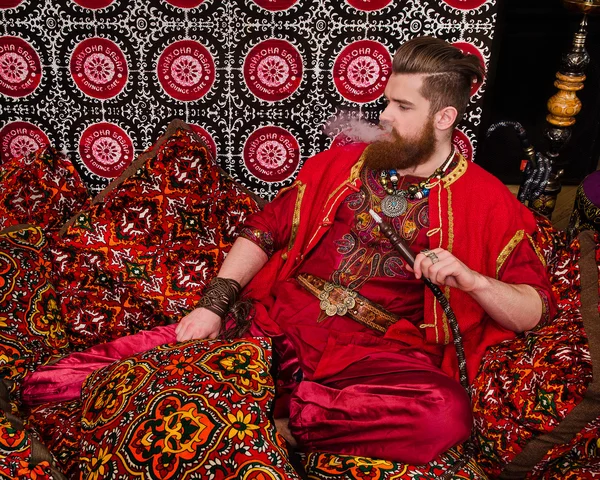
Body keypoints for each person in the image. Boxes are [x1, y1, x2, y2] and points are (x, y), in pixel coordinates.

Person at [175, 36, 556, 464]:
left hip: (375, 356)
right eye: (387, 101)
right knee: (146, 362)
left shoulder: (489, 201)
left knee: (443, 415)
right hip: (283, 323)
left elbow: (535, 307)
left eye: (403, 107)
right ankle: (259, 412)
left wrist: (474, 281)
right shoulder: (344, 164)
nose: (385, 116)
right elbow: (266, 228)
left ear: (445, 116)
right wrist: (214, 303)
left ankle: (282, 428)